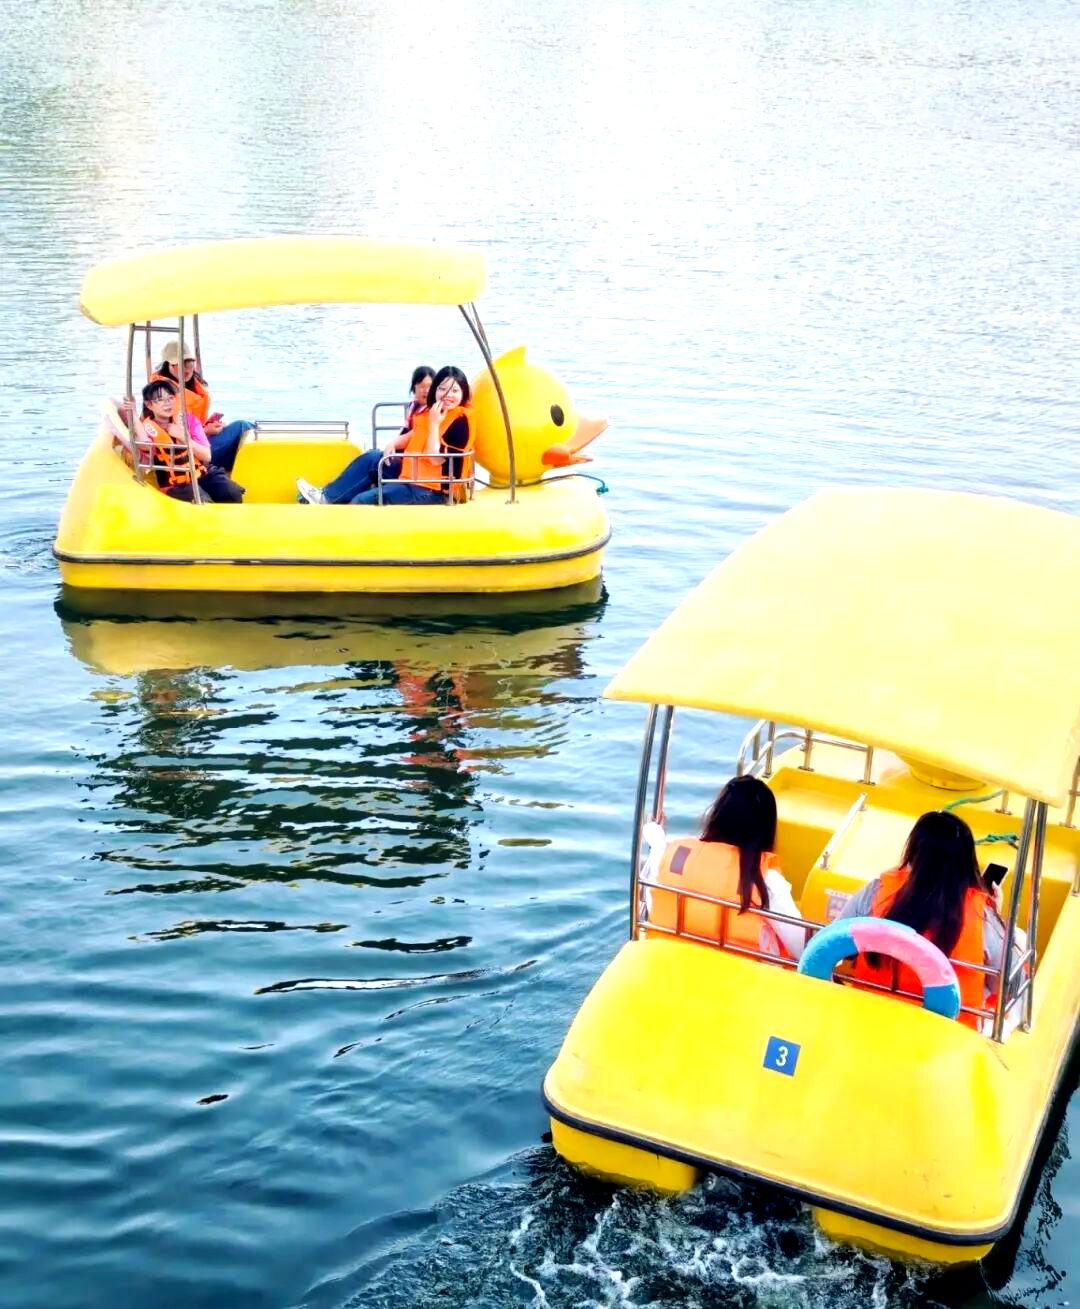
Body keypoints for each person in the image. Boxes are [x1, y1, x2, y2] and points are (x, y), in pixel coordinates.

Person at [836, 810, 1026, 1032]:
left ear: (913, 852)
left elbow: (834, 944)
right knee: (1018, 938)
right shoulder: (982, 916)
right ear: (966, 861)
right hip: (947, 1036)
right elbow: (1008, 989)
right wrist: (997, 918)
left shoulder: (874, 892)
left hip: (867, 1022)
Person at [643, 775, 805, 960]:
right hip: (741, 973)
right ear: (765, 829)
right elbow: (802, 949)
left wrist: (657, 842)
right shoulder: (765, 880)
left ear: (716, 815)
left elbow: (653, 902)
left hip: (668, 962)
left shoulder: (673, 856)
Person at [297, 365, 473, 506]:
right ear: (436, 390)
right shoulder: (436, 411)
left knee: (362, 500)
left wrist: (434, 423)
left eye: (455, 391)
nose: (448, 395)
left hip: (432, 490)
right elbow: (416, 433)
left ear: (463, 392)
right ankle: (326, 497)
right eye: (443, 389)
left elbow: (435, 459)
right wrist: (393, 443)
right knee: (372, 458)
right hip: (411, 475)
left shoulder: (459, 422)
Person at [133, 379, 244, 503]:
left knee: (232, 494)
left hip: (202, 474)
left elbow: (206, 456)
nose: (167, 403)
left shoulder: (189, 421)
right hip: (175, 484)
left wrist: (184, 438)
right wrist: (133, 413)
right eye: (160, 400)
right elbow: (145, 446)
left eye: (170, 398)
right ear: (149, 405)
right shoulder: (147, 429)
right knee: (202, 500)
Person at [153, 340, 253, 473]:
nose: (187, 370)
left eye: (189, 364)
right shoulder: (163, 394)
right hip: (186, 454)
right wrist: (206, 431)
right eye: (181, 365)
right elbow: (172, 435)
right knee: (242, 427)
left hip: (199, 443)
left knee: (243, 430)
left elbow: (192, 423)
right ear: (168, 366)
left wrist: (208, 425)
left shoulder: (189, 385)